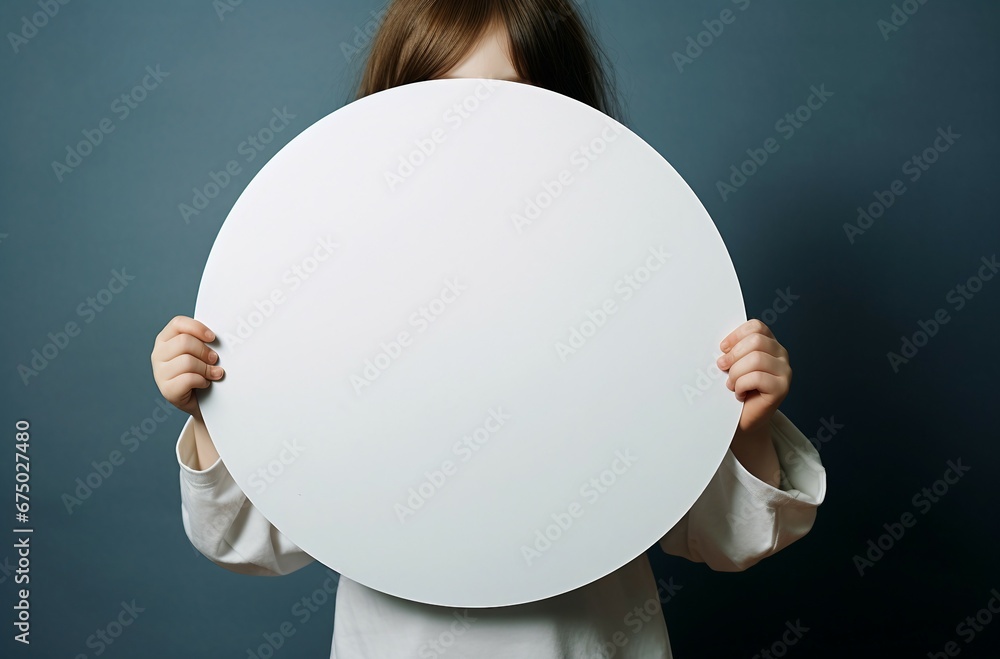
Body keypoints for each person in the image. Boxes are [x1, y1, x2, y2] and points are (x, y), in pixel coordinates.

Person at [150, 1, 827, 657]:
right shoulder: (326, 301)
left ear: (570, 117)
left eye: (508, 98)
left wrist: (748, 425)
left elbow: (725, 538)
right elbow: (253, 541)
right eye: (437, 99)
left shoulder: (633, 289)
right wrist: (213, 411)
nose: (470, 131)